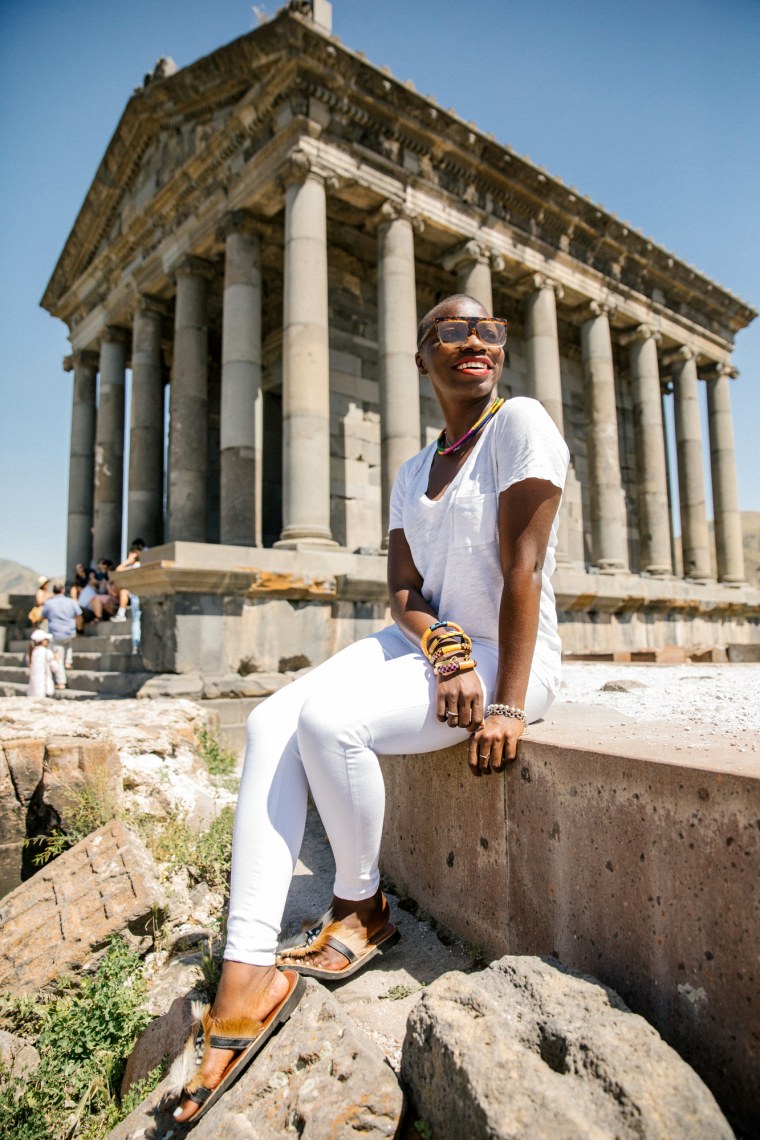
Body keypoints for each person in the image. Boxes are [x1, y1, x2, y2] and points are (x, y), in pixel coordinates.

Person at [173, 294, 569, 1123]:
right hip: (437, 646)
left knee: (331, 723)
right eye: (451, 331)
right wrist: (442, 647)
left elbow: (524, 571)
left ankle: (361, 907)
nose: (475, 341)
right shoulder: (410, 470)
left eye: (489, 330)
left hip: (508, 651)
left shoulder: (520, 423)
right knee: (267, 721)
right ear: (422, 355)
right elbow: (402, 593)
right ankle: (245, 972)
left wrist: (505, 702)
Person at [41, 581, 82, 681]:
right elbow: (79, 615)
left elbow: (43, 616)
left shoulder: (48, 603)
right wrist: (80, 628)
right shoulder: (71, 602)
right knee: (68, 645)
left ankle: (60, 681)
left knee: (58, 657)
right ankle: (68, 661)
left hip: (55, 632)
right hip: (70, 631)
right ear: (63, 590)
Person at [27, 629, 65, 698]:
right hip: (44, 688)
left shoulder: (32, 653)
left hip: (32, 689)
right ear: (43, 641)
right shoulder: (47, 652)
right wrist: (56, 659)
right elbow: (55, 668)